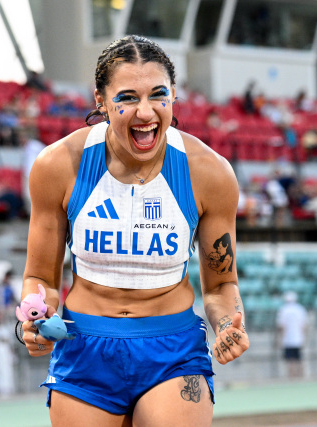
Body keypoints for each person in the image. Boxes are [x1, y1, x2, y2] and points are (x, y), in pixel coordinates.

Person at [19, 35, 249, 426]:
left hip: (172, 351)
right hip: (85, 349)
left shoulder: (209, 173)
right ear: (101, 101)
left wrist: (227, 324)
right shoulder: (57, 166)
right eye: (127, 98)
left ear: (173, 95)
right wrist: (35, 316)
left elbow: (221, 285)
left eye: (158, 95)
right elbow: (40, 277)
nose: (145, 112)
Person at [276, 291, 308, 379]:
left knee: (290, 360)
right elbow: (304, 325)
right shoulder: (300, 309)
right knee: (299, 359)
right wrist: (304, 337)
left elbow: (281, 326)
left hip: (288, 339)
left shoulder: (283, 310)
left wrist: (280, 339)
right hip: (298, 338)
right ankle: (301, 377)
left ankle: (292, 377)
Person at [21, 128, 47, 214]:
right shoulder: (26, 147)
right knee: (26, 195)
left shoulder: (34, 144)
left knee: (30, 195)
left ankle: (35, 213)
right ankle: (31, 214)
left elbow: (46, 150)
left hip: (33, 173)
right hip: (27, 174)